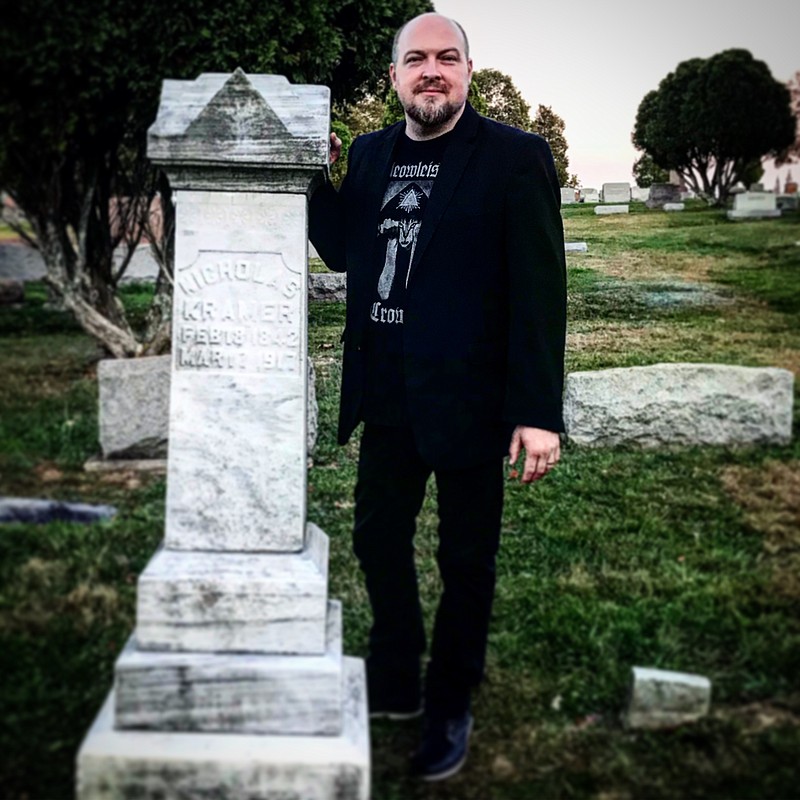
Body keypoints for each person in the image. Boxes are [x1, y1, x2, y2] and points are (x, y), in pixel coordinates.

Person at [309, 12, 566, 781]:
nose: (431, 70)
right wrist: (315, 177)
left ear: (466, 70)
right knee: (377, 540)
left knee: (466, 559)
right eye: (415, 59)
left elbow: (539, 292)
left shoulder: (514, 158)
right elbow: (342, 249)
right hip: (387, 394)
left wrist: (537, 411)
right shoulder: (370, 152)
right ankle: (395, 673)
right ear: (394, 78)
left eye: (445, 58)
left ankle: (450, 698)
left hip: (469, 400)